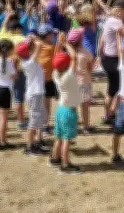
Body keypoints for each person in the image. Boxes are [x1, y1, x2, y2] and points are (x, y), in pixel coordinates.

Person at [49, 38, 82, 173]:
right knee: (67, 139)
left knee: (58, 137)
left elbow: (56, 60)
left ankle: (55, 158)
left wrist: (59, 44)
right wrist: (66, 44)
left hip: (60, 109)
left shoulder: (55, 74)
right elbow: (74, 57)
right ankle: (65, 164)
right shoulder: (69, 76)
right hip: (69, 111)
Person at [98, 0, 124, 125]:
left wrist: (99, 55)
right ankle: (109, 114)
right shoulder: (116, 22)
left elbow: (102, 39)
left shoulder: (109, 20)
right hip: (113, 59)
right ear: (122, 10)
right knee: (117, 89)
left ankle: (109, 114)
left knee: (114, 88)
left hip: (107, 57)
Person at [16, 39, 50, 156]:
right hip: (34, 94)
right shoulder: (30, 62)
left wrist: (29, 42)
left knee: (38, 119)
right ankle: (29, 147)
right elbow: (40, 44)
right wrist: (33, 39)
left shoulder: (28, 61)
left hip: (37, 93)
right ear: (29, 52)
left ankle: (36, 142)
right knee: (33, 121)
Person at [67, 27, 95, 134]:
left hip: (71, 83)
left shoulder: (68, 53)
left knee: (72, 107)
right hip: (84, 82)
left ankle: (73, 127)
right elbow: (90, 68)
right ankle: (86, 127)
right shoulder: (86, 52)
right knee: (85, 107)